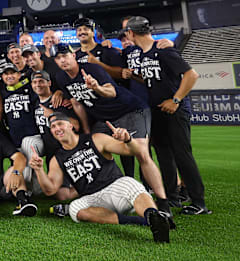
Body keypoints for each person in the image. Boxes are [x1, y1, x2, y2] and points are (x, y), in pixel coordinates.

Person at [53, 43, 171, 216]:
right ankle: (111, 195)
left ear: (74, 56)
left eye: (65, 55)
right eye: (58, 58)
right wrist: (86, 132)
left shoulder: (92, 69)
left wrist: (97, 88)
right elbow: (77, 103)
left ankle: (163, 204)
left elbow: (112, 92)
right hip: (106, 119)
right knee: (88, 151)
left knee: (141, 152)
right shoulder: (61, 78)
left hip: (130, 110)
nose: (62, 60)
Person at [29, 113, 171, 243]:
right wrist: (39, 170)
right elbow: (50, 189)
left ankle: (155, 218)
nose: (57, 128)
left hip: (116, 186)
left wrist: (128, 139)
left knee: (131, 185)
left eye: (60, 123)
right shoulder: (57, 158)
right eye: (53, 127)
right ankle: (146, 221)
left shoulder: (96, 139)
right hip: (93, 198)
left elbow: (132, 151)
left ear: (71, 125)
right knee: (74, 208)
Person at [123, 16, 209, 215]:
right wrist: (135, 76)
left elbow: (191, 75)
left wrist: (176, 100)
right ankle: (173, 197)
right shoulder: (144, 54)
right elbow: (153, 80)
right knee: (163, 155)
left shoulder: (163, 49)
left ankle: (199, 202)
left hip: (175, 111)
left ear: (131, 33)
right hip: (157, 111)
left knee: (182, 155)